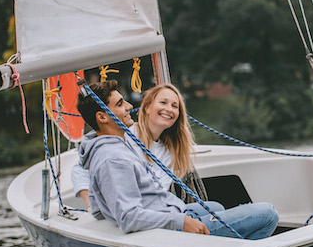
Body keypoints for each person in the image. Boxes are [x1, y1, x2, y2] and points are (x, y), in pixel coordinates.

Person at [74, 80, 278, 238]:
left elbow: (109, 205)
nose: (129, 106)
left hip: (165, 212)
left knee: (216, 207)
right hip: (169, 231)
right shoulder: (113, 158)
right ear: (102, 117)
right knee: (268, 214)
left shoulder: (115, 143)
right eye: (120, 103)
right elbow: (128, 217)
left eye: (175, 106)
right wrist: (180, 221)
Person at [73, 83, 207, 207]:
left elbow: (158, 194)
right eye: (163, 102)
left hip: (157, 212)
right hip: (140, 216)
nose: (168, 109)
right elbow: (80, 169)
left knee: (214, 207)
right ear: (147, 107)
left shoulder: (171, 151)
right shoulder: (124, 135)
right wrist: (91, 205)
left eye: (174, 106)